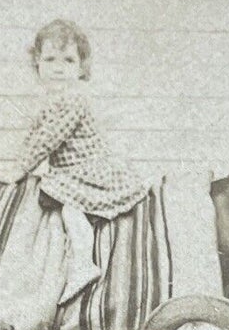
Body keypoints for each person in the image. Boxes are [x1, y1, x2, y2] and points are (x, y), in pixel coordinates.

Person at [13, 19, 150, 303]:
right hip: (70, 171)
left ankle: (83, 264)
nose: (59, 67)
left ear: (81, 68)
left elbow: (48, 138)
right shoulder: (51, 101)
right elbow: (33, 136)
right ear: (37, 64)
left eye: (69, 60)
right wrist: (16, 165)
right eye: (50, 59)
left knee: (70, 208)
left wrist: (20, 169)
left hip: (89, 170)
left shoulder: (72, 100)